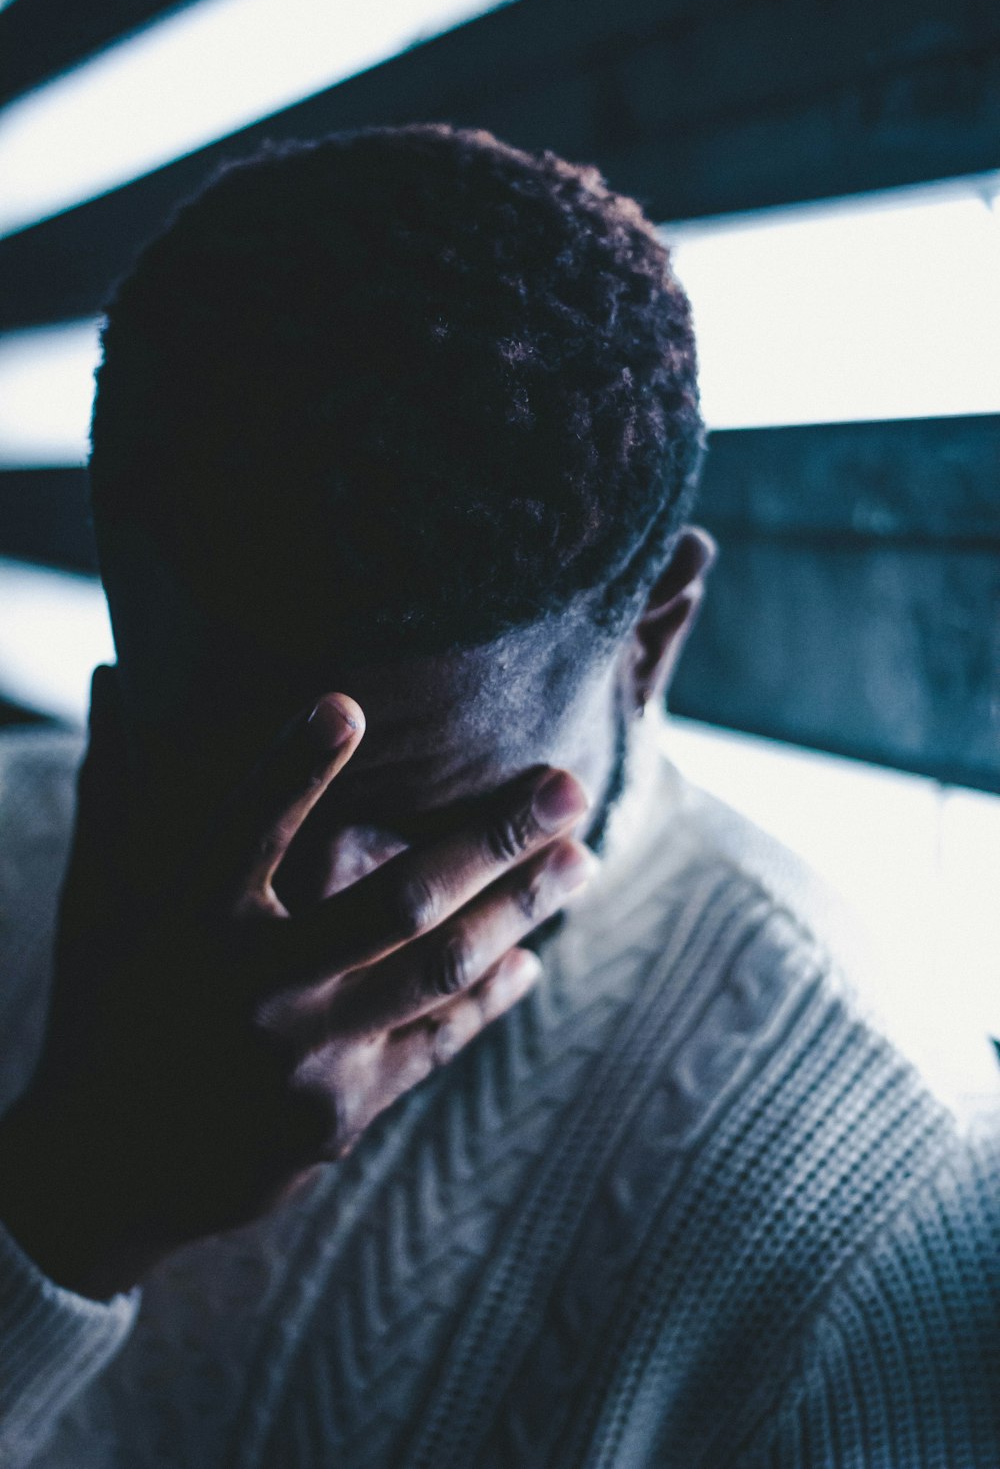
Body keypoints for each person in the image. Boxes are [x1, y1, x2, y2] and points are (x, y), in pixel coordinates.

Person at [0, 124, 996, 1468]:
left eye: (420, 813)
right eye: (214, 773)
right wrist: (68, 1205)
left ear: (653, 638)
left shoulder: (881, 1209)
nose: (304, 898)